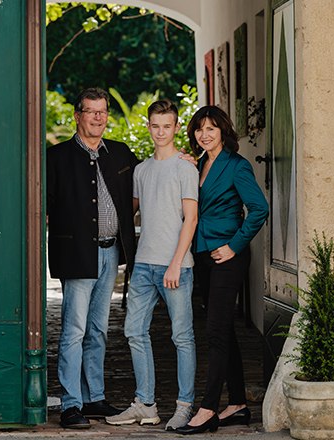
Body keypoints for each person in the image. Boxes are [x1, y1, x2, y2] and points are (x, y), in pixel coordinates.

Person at [47, 87, 139, 429]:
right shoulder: (55, 157)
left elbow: (138, 190)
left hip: (111, 251)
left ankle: (94, 398)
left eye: (102, 111)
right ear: (77, 115)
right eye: (91, 111)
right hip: (76, 254)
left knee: (99, 329)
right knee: (73, 329)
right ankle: (71, 404)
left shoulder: (121, 153)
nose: (98, 117)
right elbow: (44, 207)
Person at [105, 100, 199, 431]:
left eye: (167, 126)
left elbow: (191, 219)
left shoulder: (186, 168)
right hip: (143, 265)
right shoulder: (141, 171)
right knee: (133, 331)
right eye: (155, 125)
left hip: (176, 267)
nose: (161, 132)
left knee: (182, 337)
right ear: (149, 127)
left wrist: (175, 264)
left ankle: (184, 406)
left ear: (175, 127)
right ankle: (146, 404)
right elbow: (126, 211)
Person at [175, 106, 269, 435]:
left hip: (228, 255)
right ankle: (238, 404)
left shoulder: (236, 165)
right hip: (203, 253)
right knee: (223, 328)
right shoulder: (200, 164)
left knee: (215, 332)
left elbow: (259, 208)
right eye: (200, 128)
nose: (205, 134)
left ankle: (208, 408)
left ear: (223, 130)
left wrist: (235, 245)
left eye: (212, 128)